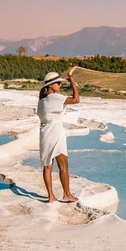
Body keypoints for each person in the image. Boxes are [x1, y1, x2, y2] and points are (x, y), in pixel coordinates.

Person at [37, 71, 80, 203]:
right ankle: (67, 194)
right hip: (56, 131)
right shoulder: (55, 98)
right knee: (63, 166)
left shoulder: (41, 101)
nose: (60, 85)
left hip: (45, 133)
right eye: (58, 83)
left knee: (47, 166)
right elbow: (76, 100)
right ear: (51, 86)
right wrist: (72, 81)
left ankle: (51, 197)